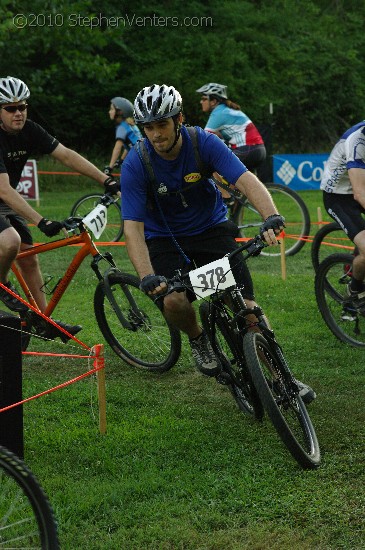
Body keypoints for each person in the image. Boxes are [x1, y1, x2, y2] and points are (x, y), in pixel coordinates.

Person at [120, 83, 315, 404]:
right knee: (173, 301)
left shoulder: (202, 142)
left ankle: (284, 377)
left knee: (246, 308)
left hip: (210, 229)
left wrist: (271, 216)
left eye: (162, 125)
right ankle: (198, 338)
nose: (156, 134)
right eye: (149, 127)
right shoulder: (137, 163)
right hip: (164, 239)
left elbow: (246, 180)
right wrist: (146, 276)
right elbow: (133, 229)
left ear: (179, 119)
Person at [0, 76, 120, 340]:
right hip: (2, 193)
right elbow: (4, 189)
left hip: (6, 201)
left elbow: (65, 155)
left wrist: (105, 179)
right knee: (10, 241)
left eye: (23, 107)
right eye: (10, 108)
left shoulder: (29, 129)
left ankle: (44, 321)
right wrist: (41, 221)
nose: (18, 113)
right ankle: (2, 285)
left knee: (29, 258)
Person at [321, 120, 365, 301]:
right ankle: (353, 293)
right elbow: (359, 193)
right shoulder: (357, 141)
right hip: (339, 196)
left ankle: (355, 264)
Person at [104, 97, 142, 177]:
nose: (109, 112)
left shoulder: (122, 127)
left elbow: (117, 148)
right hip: (142, 158)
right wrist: (121, 160)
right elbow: (130, 145)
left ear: (119, 112)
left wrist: (110, 167)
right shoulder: (129, 124)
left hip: (138, 161)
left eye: (111, 109)